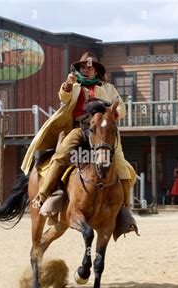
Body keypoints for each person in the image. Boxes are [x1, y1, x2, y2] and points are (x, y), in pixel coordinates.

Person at [20, 52, 136, 225]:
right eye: (83, 67)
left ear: (96, 71)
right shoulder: (74, 86)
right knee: (61, 156)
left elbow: (122, 109)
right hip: (79, 129)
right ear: (79, 70)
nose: (86, 69)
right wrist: (68, 84)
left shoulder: (109, 88)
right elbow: (63, 97)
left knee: (123, 168)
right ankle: (43, 196)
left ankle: (124, 211)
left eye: (90, 67)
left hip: (101, 131)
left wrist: (110, 113)